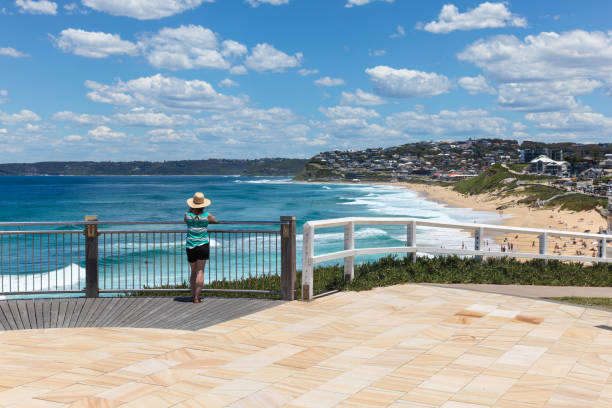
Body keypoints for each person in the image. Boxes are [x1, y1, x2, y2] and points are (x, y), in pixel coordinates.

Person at [184, 192, 216, 303]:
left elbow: (185, 220)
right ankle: (197, 297)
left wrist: (190, 211)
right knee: (200, 271)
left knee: (193, 271)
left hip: (190, 245)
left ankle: (192, 295)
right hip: (203, 245)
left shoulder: (187, 215)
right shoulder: (206, 216)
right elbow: (214, 220)